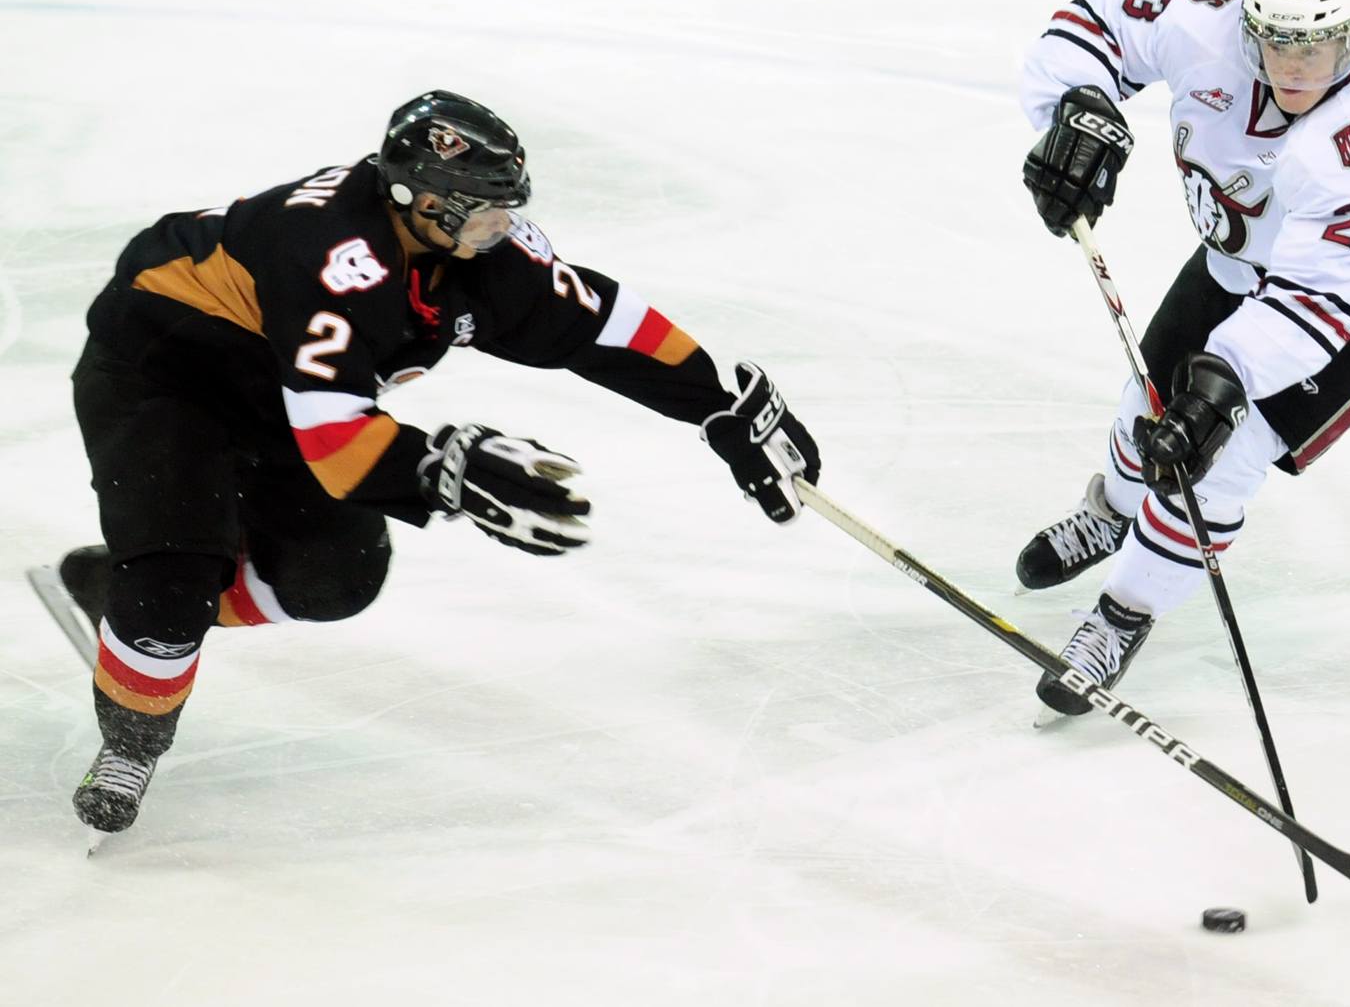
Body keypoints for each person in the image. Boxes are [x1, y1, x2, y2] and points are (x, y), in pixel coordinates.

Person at [44, 90, 821, 835]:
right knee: (177, 570)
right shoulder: (336, 258)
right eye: (480, 210)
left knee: (331, 578)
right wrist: (444, 468)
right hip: (166, 371)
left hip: (286, 384)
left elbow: (596, 321)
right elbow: (337, 443)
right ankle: (131, 739)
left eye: (503, 208)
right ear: (419, 200)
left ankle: (116, 594)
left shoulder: (475, 249)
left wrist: (714, 400)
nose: (499, 227)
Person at [1012, 0, 1350, 717]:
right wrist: (1077, 109)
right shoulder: (1209, 23)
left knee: (1219, 448)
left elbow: (1322, 297)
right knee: (1152, 403)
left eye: (1316, 48)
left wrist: (1226, 379)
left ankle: (1126, 610)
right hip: (1246, 254)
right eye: (1278, 44)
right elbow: (1095, 26)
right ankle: (1114, 512)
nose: (1294, 68)